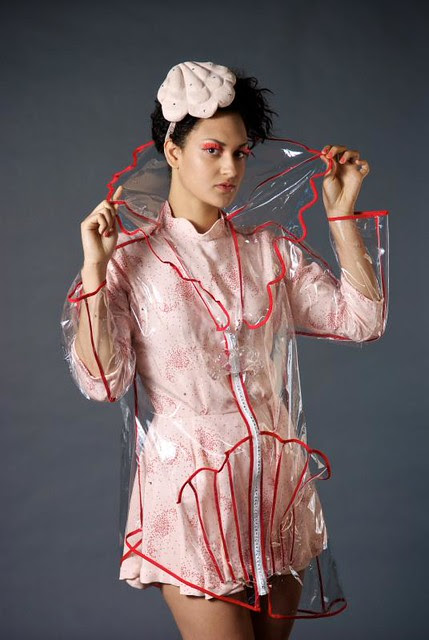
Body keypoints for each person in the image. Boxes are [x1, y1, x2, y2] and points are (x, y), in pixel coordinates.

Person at [61, 61, 389, 640]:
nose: (230, 168)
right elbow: (102, 382)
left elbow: (362, 322)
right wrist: (95, 270)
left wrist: (341, 215)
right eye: (212, 151)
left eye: (240, 153)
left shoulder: (268, 253)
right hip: (192, 494)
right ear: (173, 151)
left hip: (276, 492)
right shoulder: (130, 261)